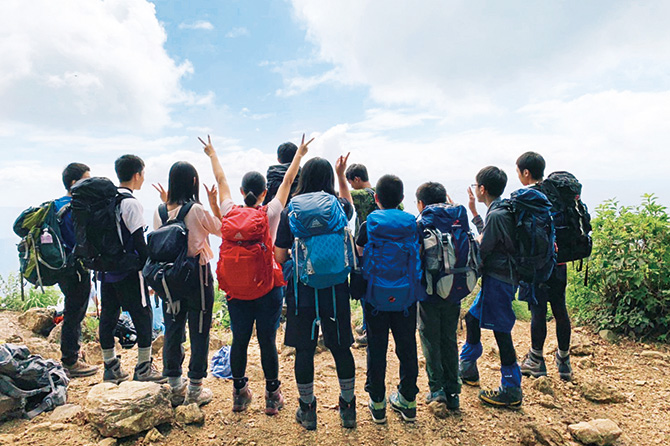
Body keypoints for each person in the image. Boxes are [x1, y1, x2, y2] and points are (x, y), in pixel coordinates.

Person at [203, 134, 310, 415]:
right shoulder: (271, 211)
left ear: (242, 191)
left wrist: (213, 154)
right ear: (264, 192)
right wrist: (299, 154)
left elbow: (221, 180)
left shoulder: (229, 210)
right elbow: (287, 182)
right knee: (266, 341)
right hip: (267, 286)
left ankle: (239, 395)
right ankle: (272, 397)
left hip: (236, 290)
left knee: (239, 340)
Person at [274, 153, 357, 430]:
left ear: (304, 179)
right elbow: (351, 207)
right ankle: (348, 410)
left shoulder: (291, 210)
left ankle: (308, 411)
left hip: (303, 289)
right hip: (335, 288)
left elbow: (280, 256)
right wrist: (342, 175)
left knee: (304, 351)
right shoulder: (339, 206)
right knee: (341, 348)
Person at [151, 159, 222, 406]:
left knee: (173, 330)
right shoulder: (196, 210)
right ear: (194, 182)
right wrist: (213, 203)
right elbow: (222, 229)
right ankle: (194, 389)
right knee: (199, 331)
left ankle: (174, 386)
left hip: (169, 280)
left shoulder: (159, 211)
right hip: (197, 277)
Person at [356, 174, 421, 424]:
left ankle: (378, 402)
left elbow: (360, 251)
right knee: (407, 347)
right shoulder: (412, 223)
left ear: (376, 198)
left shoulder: (369, 223)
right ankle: (408, 401)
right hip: (406, 296)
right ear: (402, 199)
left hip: (375, 296)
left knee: (377, 347)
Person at [460, 166, 523, 408]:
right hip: (501, 278)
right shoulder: (501, 209)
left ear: (482, 189)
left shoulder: (497, 215)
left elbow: (483, 247)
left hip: (499, 279)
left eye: (477, 186)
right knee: (473, 318)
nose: (476, 189)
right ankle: (467, 369)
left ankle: (511, 389)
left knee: (501, 332)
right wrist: (475, 213)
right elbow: (491, 236)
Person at [99, 155, 164, 384]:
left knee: (108, 316)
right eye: (143, 174)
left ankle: (110, 367)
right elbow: (139, 243)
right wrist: (151, 274)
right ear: (137, 175)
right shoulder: (131, 203)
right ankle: (144, 367)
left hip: (105, 271)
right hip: (128, 271)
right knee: (142, 315)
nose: (143, 178)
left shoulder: (106, 201)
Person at [515, 152, 573, 381]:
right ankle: (564, 361)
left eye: (518, 171)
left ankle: (536, 359)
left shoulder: (529, 197)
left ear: (526, 172)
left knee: (538, 310)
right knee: (560, 309)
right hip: (560, 263)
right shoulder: (556, 192)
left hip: (539, 265)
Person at [414, 181, 462, 412]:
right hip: (455, 288)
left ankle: (437, 390)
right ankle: (454, 392)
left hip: (429, 290)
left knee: (430, 338)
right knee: (449, 337)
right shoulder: (457, 220)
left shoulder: (421, 223)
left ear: (421, 204)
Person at [55, 163, 99, 377]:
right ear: (74, 183)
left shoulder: (56, 205)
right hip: (76, 268)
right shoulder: (75, 207)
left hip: (61, 267)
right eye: (86, 178)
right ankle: (70, 361)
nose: (89, 182)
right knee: (74, 312)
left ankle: (72, 354)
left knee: (72, 309)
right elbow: (79, 241)